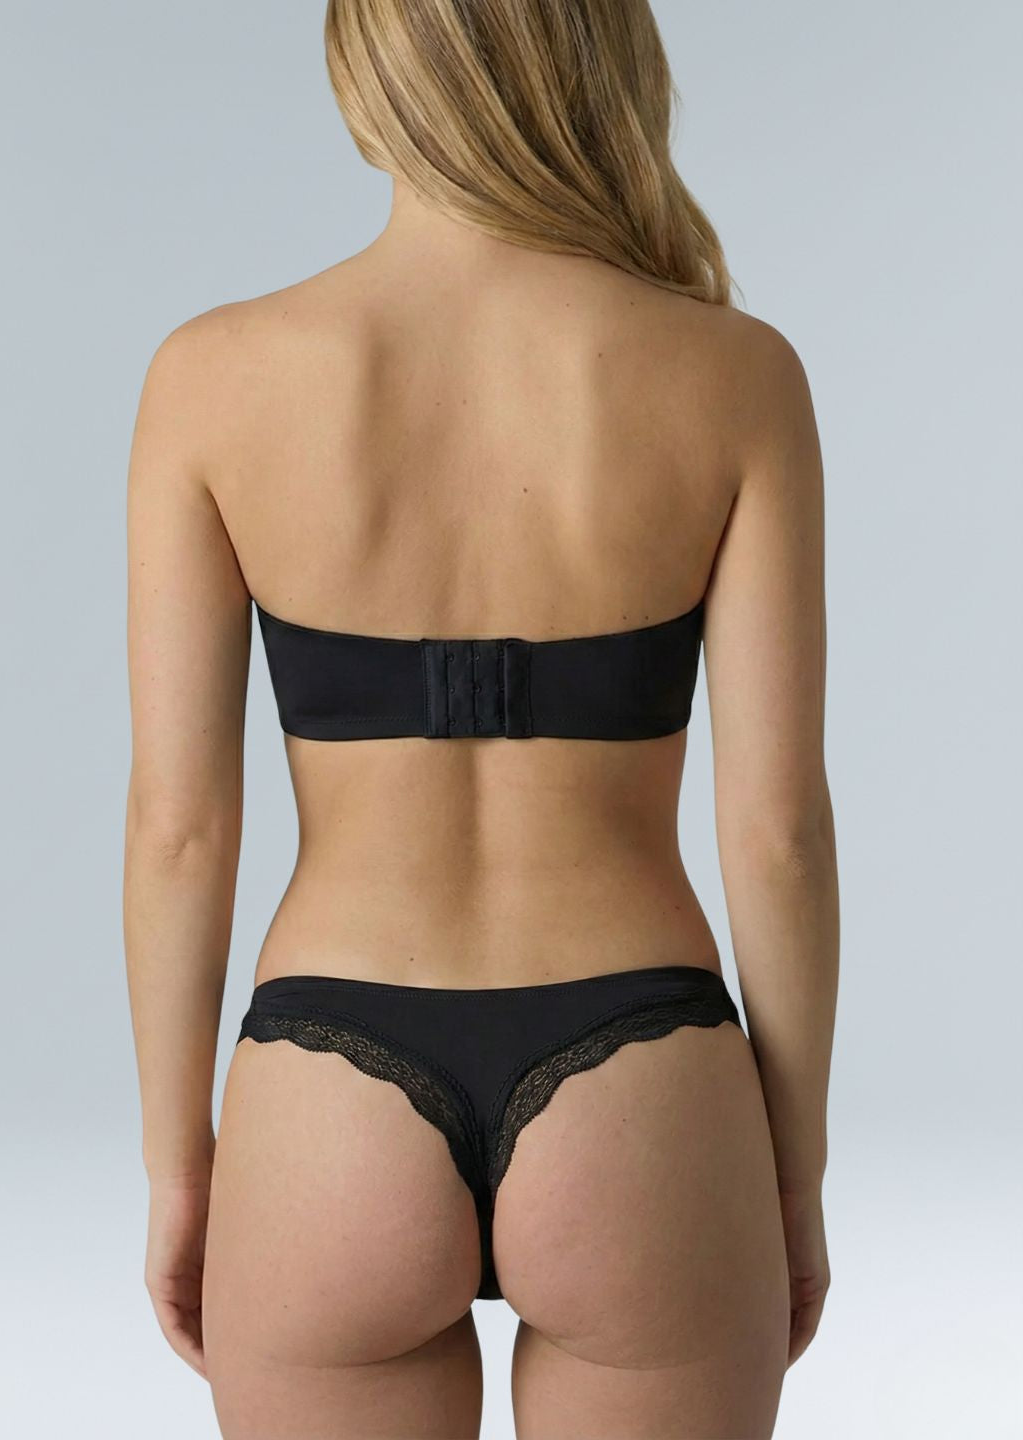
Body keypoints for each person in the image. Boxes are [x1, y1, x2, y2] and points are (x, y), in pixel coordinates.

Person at [123, 2, 839, 1435]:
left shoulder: (212, 377)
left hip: (328, 1083)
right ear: (602, 67)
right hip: (643, 1073)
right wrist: (792, 1171)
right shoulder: (735, 375)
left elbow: (179, 830)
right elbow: (774, 831)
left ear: (369, 80)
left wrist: (179, 1170)